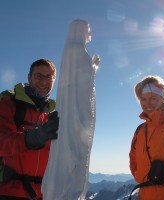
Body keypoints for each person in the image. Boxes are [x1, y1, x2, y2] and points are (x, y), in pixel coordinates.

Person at [42, 19, 100, 200]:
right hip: (75, 107)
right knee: (73, 146)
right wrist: (93, 66)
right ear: (80, 29)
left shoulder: (73, 49)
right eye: (88, 29)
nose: (89, 33)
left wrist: (92, 67)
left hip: (75, 105)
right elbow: (81, 80)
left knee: (73, 147)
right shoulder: (76, 49)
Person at [0, 58, 59, 200]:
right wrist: (31, 138)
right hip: (9, 193)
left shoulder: (50, 115)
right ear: (29, 77)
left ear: (54, 80)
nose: (44, 81)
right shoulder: (9, 103)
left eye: (49, 77)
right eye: (38, 76)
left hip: (43, 194)